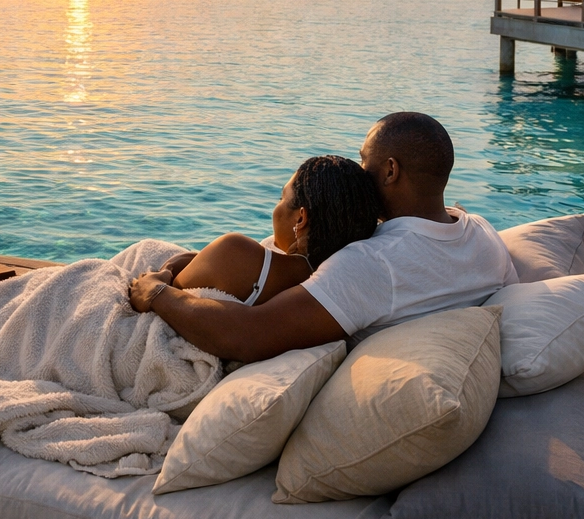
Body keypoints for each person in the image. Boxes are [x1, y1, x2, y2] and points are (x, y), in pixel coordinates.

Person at [129, 112, 517, 363]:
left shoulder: (374, 262)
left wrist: (157, 293)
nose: (359, 170)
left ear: (390, 171)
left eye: (364, 160)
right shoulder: (480, 232)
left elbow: (247, 335)